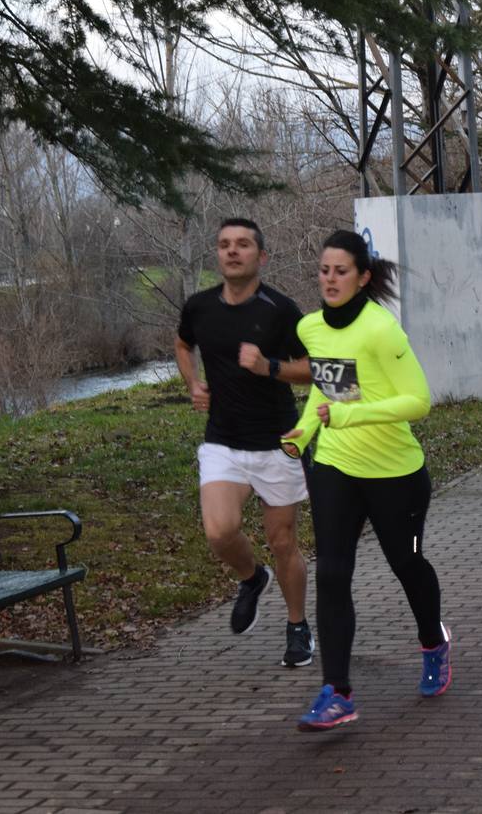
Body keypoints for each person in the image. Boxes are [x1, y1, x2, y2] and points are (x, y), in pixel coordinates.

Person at [285, 229, 449, 730]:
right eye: (324, 270)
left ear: (363, 277)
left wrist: (349, 417)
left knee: (407, 563)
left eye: (341, 271)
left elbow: (418, 401)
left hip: (396, 474)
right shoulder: (311, 327)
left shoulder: (382, 330)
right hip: (334, 466)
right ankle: (337, 690)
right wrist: (305, 429)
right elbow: (325, 388)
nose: (330, 279)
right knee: (333, 573)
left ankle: (434, 643)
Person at [175, 218, 315, 668]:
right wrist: (193, 382)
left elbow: (311, 367)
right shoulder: (198, 307)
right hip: (224, 441)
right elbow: (182, 344)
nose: (232, 252)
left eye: (243, 245)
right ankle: (252, 579)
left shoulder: (280, 309)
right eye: (224, 245)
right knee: (219, 531)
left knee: (283, 540)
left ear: (262, 257)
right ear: (217, 254)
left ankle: (297, 626)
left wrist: (268, 367)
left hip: (277, 442)